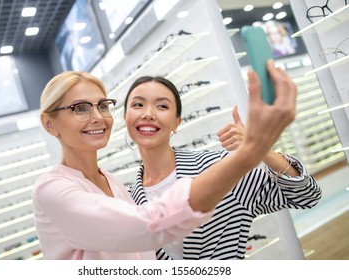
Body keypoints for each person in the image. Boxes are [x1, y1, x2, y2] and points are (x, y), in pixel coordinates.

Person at [32, 62, 300, 259]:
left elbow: (304, 194)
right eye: (80, 108)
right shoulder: (56, 189)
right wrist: (247, 154)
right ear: (49, 124)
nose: (98, 117)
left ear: (176, 122)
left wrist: (261, 153)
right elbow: (147, 226)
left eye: (102, 105)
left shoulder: (112, 182)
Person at [123, 62, 322, 260]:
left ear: (176, 123)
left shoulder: (219, 168)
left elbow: (307, 196)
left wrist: (259, 149)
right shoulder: (128, 200)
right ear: (125, 118)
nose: (148, 114)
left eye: (162, 106)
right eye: (138, 104)